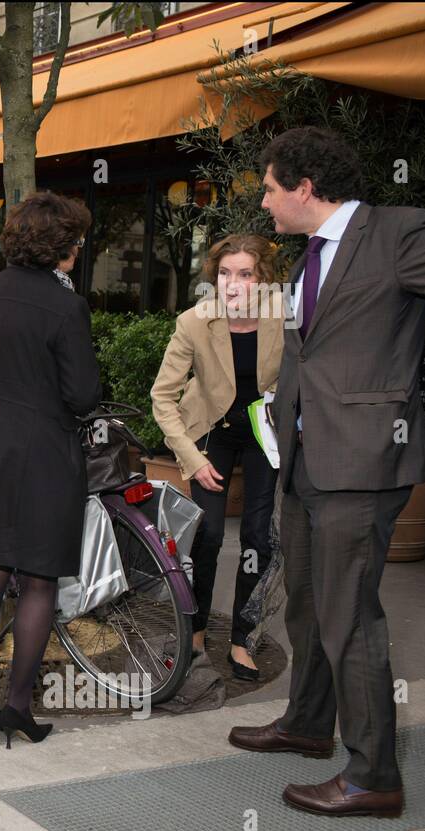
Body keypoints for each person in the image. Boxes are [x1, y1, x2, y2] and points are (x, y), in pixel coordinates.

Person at [228, 126, 425, 818]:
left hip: (362, 460)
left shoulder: (400, 232)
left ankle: (373, 776)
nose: (263, 203)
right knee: (306, 602)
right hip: (303, 461)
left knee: (349, 617)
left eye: (268, 189)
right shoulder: (306, 263)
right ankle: (306, 723)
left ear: (303, 187)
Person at [0, 192, 101, 748]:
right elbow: (83, 395)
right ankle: (17, 707)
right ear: (61, 246)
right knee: (38, 581)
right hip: (42, 453)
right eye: (77, 242)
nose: (80, 251)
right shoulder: (67, 307)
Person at [151, 234, 284, 679]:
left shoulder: (283, 318)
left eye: (245, 274)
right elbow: (162, 398)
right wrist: (191, 458)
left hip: (265, 433)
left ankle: (244, 638)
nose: (232, 284)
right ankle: (195, 629)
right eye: (225, 273)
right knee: (206, 536)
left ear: (264, 280)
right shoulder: (195, 322)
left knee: (259, 538)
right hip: (211, 431)